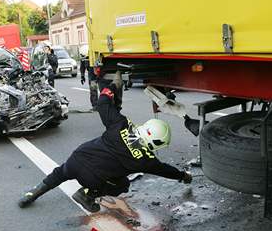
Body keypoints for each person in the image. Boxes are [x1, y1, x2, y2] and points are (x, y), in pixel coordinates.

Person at [18, 79, 193, 212]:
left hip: (78, 157)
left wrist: (112, 88)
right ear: (158, 143)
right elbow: (166, 170)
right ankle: (87, 195)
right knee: (123, 184)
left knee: (61, 172)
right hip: (92, 179)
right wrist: (183, 176)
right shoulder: (146, 161)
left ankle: (33, 193)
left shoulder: (121, 124)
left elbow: (102, 103)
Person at [79, 46, 98, 110]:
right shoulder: (84, 57)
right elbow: (82, 67)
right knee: (93, 90)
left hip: (100, 74)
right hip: (92, 76)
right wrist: (82, 76)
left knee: (104, 90)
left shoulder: (95, 55)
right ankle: (95, 105)